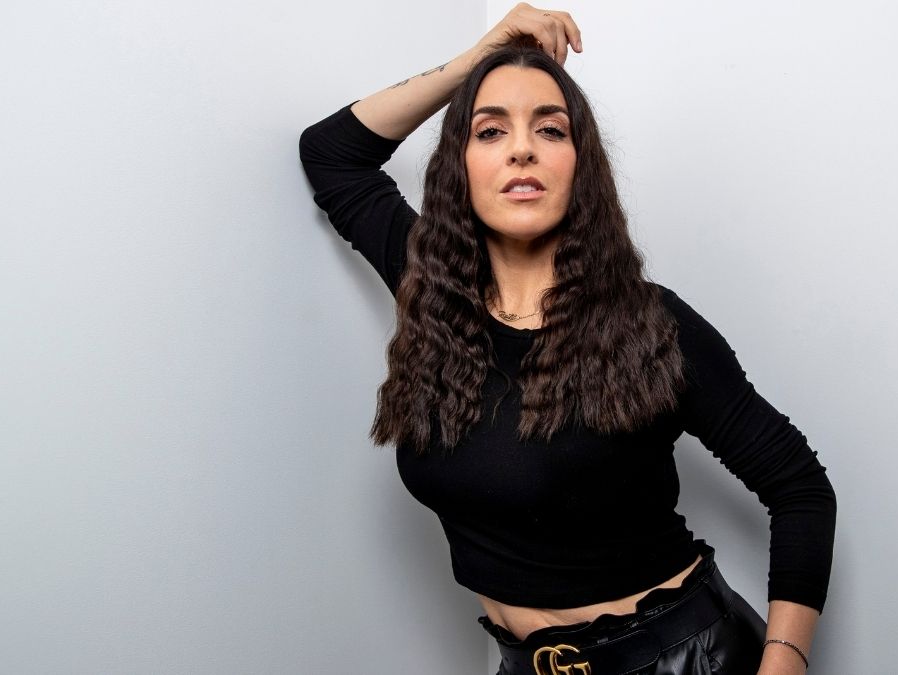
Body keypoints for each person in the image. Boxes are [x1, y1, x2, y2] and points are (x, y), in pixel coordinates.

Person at [299, 4, 836, 673]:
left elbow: (799, 486)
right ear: (459, 166)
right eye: (490, 130)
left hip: (684, 658)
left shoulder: (652, 325)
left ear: (580, 167)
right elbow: (331, 155)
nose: (521, 148)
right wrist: (479, 61)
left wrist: (784, 664)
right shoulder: (432, 290)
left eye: (549, 129)